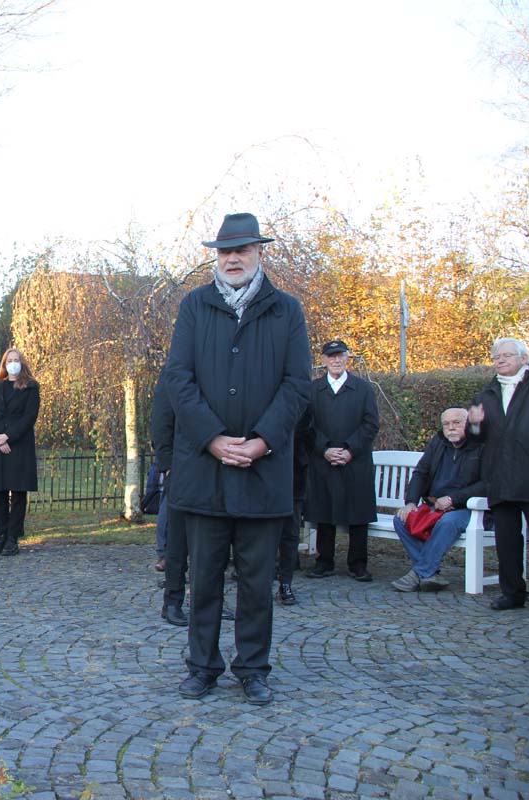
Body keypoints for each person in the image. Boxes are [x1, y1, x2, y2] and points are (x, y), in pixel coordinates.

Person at [162, 212, 311, 705]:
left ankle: (253, 668)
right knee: (203, 579)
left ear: (259, 252)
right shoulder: (194, 305)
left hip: (263, 470)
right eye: (225, 251)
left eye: (242, 250)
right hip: (204, 471)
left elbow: (297, 385)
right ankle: (202, 666)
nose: (232, 259)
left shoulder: (286, 310)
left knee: (256, 583)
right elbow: (178, 379)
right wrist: (212, 438)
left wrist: (261, 441)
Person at [304, 340, 380, 582]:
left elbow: (371, 424)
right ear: (323, 360)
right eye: (331, 356)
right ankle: (324, 561)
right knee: (324, 510)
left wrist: (349, 449)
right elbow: (306, 425)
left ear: (347, 358)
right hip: (323, 460)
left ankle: (358, 564)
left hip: (355, 461)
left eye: (340, 355)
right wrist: (324, 449)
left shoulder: (363, 389)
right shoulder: (312, 390)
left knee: (358, 512)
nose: (336, 360)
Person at [391, 407, 486, 592]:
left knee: (447, 522)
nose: (451, 428)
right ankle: (430, 573)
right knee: (401, 519)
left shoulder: (483, 445)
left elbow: (488, 484)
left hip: (469, 509)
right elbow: (421, 472)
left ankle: (419, 572)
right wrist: (410, 502)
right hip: (434, 506)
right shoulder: (438, 442)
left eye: (456, 422)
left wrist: (453, 499)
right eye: (446, 424)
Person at [468, 337, 529, 610]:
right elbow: (476, 439)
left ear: (523, 358)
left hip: (528, 474)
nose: (500, 360)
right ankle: (513, 593)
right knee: (506, 541)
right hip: (500, 477)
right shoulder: (486, 394)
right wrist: (474, 425)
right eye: (496, 357)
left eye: (507, 355)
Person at [0, 347, 40, 556]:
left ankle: (13, 538)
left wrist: (8, 437)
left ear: (22, 363)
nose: (13, 363)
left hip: (19, 443)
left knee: (18, 493)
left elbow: (29, 417)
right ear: (4, 364)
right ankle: (1, 536)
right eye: (9, 360)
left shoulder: (31, 387)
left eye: (16, 360)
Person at [150, 373, 188, 626]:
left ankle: (212, 599)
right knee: (177, 540)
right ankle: (173, 601)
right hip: (182, 465)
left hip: (218, 467)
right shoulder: (176, 370)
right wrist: (167, 464)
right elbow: (161, 419)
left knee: (214, 543)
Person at [276, 406, 312, 605]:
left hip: (295, 469)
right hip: (262, 468)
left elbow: (310, 429)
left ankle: (285, 583)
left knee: (290, 532)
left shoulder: (302, 397)